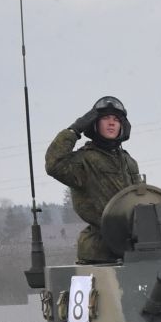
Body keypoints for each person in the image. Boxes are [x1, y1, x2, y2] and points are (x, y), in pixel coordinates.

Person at [45, 96, 143, 263]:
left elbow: (140, 199)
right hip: (98, 253)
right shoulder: (84, 160)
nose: (111, 123)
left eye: (116, 119)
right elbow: (54, 164)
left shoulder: (128, 162)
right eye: (105, 118)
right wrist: (74, 130)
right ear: (94, 124)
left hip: (134, 247)